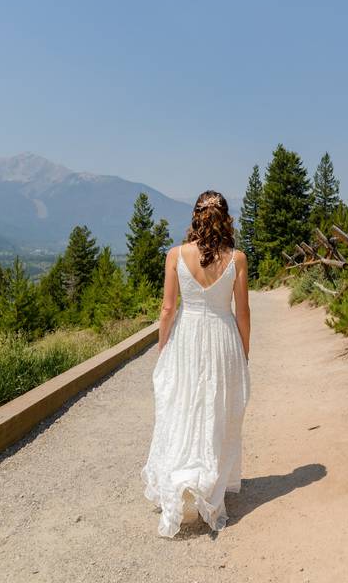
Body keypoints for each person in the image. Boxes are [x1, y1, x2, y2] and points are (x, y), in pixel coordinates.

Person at [140, 190, 251, 538]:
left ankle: (182, 478)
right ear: (226, 218)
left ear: (195, 217)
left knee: (183, 408)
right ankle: (208, 486)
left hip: (186, 340)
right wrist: (244, 352)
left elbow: (168, 309)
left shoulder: (175, 254)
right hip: (222, 338)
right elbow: (243, 312)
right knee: (215, 411)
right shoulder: (238, 259)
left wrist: (163, 349)